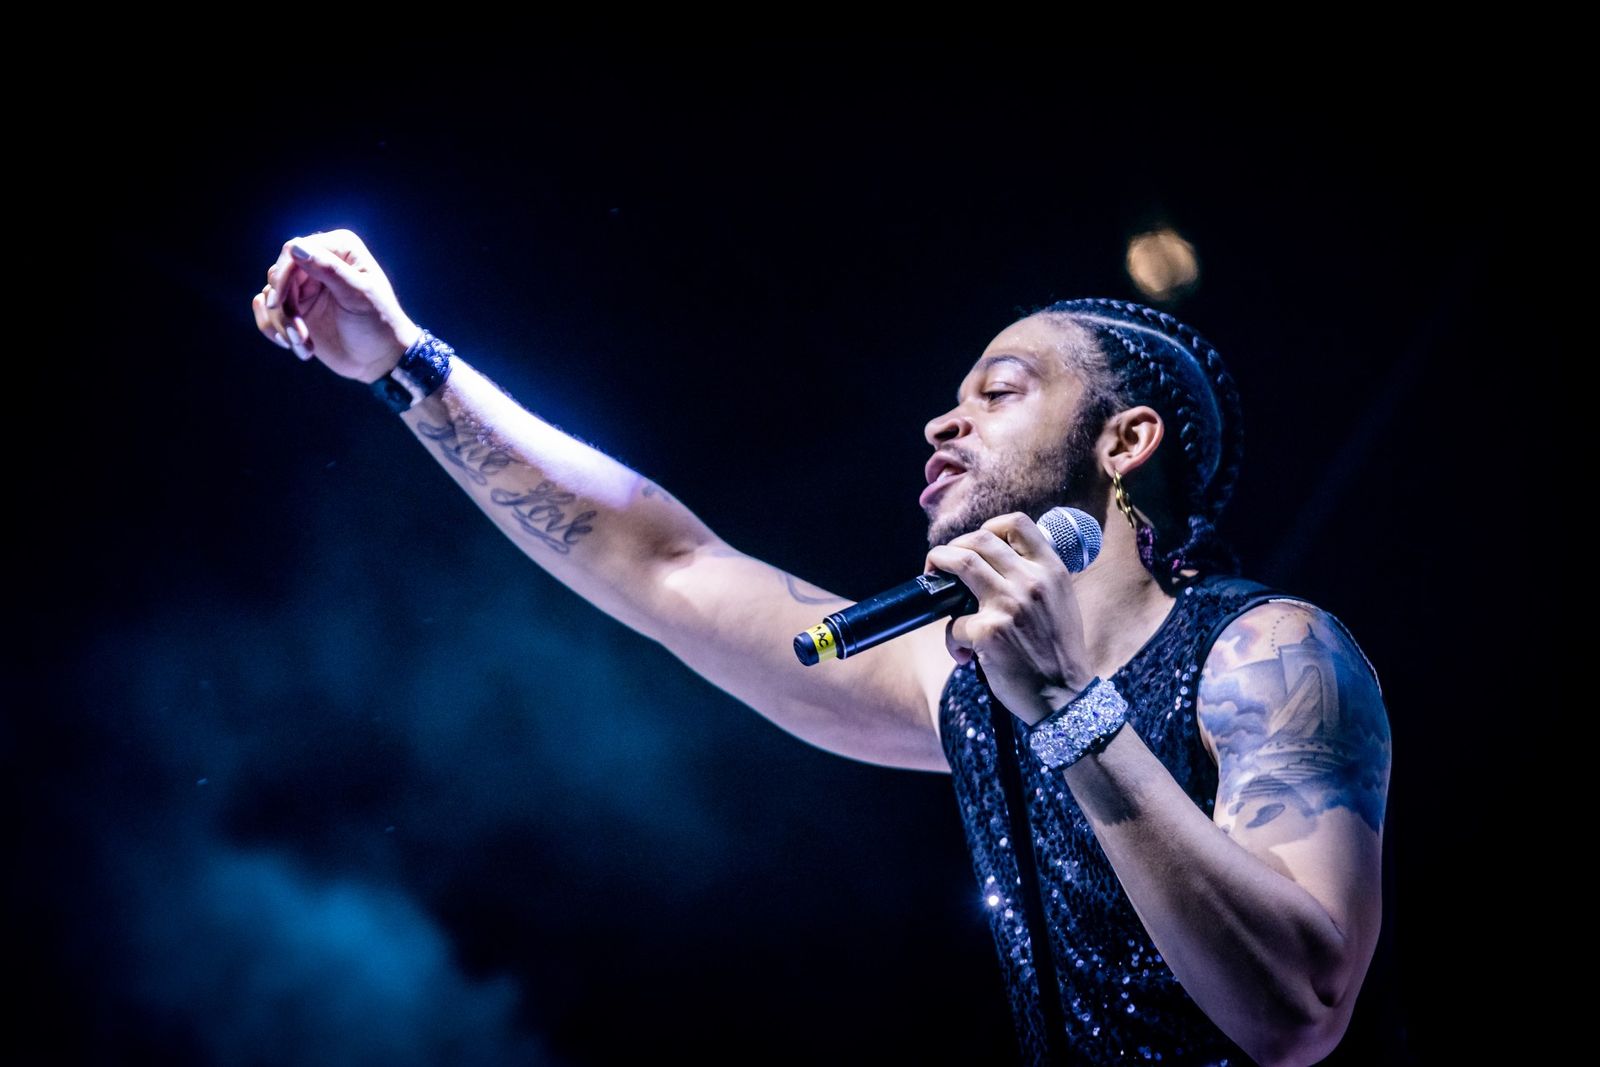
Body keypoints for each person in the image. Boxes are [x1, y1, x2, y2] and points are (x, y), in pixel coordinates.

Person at [250, 230, 1391, 1067]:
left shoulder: (1265, 648)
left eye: (999, 391)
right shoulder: (964, 681)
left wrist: (1066, 704)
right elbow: (666, 563)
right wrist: (406, 364)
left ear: (1126, 440)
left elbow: (1298, 1008)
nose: (943, 421)